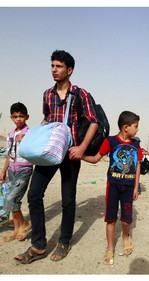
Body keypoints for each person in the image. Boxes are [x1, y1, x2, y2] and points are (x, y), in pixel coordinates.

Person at [15, 50, 99, 264]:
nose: (54, 69)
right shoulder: (47, 95)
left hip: (71, 153)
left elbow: (93, 122)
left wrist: (81, 148)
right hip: (50, 152)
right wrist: (30, 138)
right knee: (34, 194)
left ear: (69, 70)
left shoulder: (81, 94)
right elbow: (47, 120)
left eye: (59, 66)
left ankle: (64, 241)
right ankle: (39, 245)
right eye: (52, 65)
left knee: (68, 200)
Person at [82, 111, 142, 265]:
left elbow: (137, 166)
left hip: (129, 188)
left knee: (127, 218)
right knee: (111, 218)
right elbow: (96, 158)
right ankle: (110, 248)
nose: (138, 129)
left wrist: (136, 187)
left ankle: (126, 237)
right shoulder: (110, 141)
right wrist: (80, 155)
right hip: (113, 187)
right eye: (136, 126)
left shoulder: (136, 144)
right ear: (126, 127)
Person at [0, 102, 33, 243]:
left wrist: (26, 140)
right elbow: (9, 154)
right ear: (11, 118)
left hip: (24, 169)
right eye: (15, 116)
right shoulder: (11, 134)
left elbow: (35, 148)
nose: (18, 119)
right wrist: (4, 170)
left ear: (26, 117)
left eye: (21, 116)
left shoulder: (30, 133)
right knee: (15, 202)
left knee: (11, 198)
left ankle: (24, 224)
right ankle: (16, 229)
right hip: (12, 170)